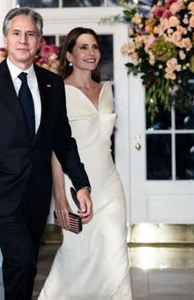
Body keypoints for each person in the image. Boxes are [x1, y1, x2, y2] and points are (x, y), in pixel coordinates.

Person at [0, 8, 93, 300]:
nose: (23, 40)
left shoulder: (52, 85)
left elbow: (63, 141)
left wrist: (81, 184)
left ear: (38, 41)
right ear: (6, 38)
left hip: (36, 193)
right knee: (23, 261)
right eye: (16, 33)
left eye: (30, 34)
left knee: (22, 266)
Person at [39, 27, 133, 299]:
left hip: (109, 183)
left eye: (94, 47)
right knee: (76, 252)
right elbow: (56, 150)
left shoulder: (107, 89)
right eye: (83, 47)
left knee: (115, 251)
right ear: (69, 54)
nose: (91, 53)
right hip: (74, 183)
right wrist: (60, 196)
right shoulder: (57, 92)